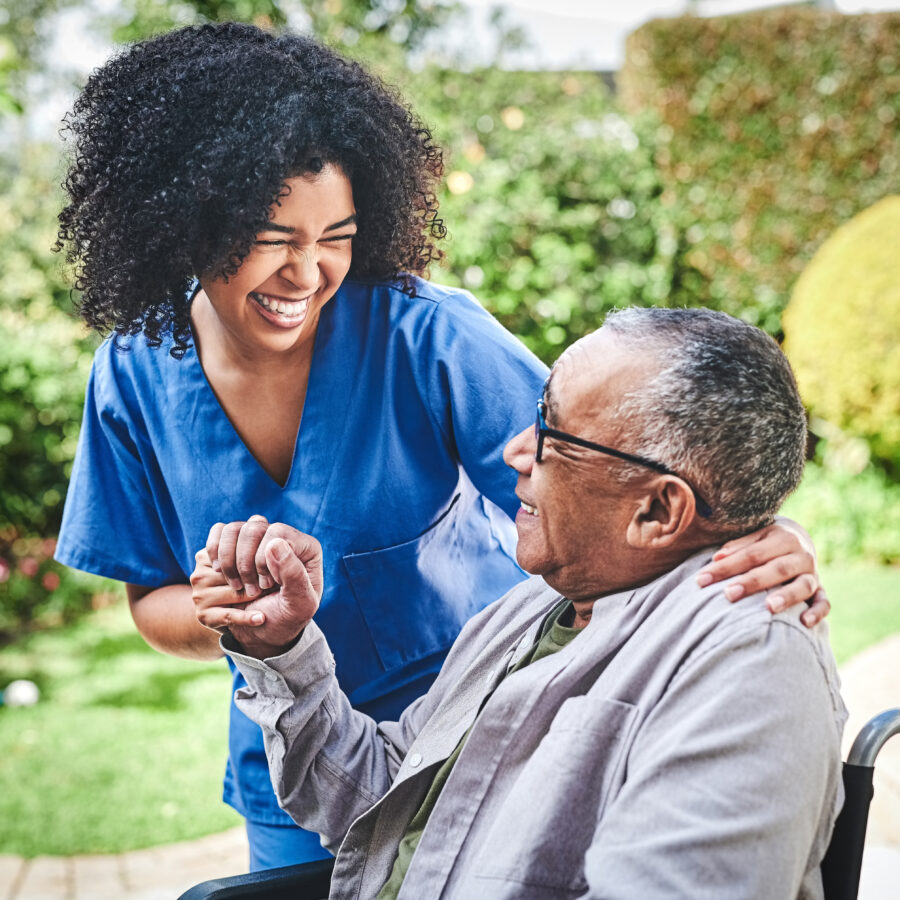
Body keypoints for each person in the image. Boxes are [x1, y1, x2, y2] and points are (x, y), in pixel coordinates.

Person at [53, 22, 827, 871]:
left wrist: (758, 532)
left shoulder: (426, 335)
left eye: (336, 238)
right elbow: (151, 601)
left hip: (482, 732)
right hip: (298, 752)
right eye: (273, 239)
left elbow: (614, 481)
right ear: (189, 219)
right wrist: (240, 616)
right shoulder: (130, 375)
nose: (307, 275)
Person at [208, 308, 846, 900]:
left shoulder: (749, 668)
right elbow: (381, 801)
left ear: (656, 511)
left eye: (554, 432)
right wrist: (283, 649)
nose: (514, 450)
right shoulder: (532, 607)